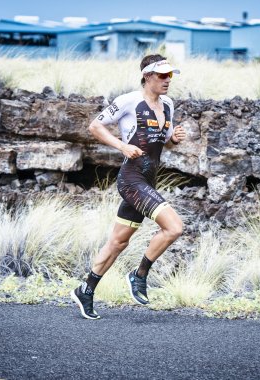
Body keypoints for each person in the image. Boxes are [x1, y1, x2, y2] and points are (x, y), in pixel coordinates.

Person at [70, 54, 187, 319]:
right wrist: (122, 145)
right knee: (174, 227)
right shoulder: (127, 101)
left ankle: (85, 290)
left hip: (149, 179)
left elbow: (164, 140)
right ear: (147, 76)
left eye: (170, 75)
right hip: (131, 180)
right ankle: (139, 274)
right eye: (162, 76)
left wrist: (175, 139)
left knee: (118, 242)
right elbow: (94, 125)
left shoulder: (168, 104)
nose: (168, 80)